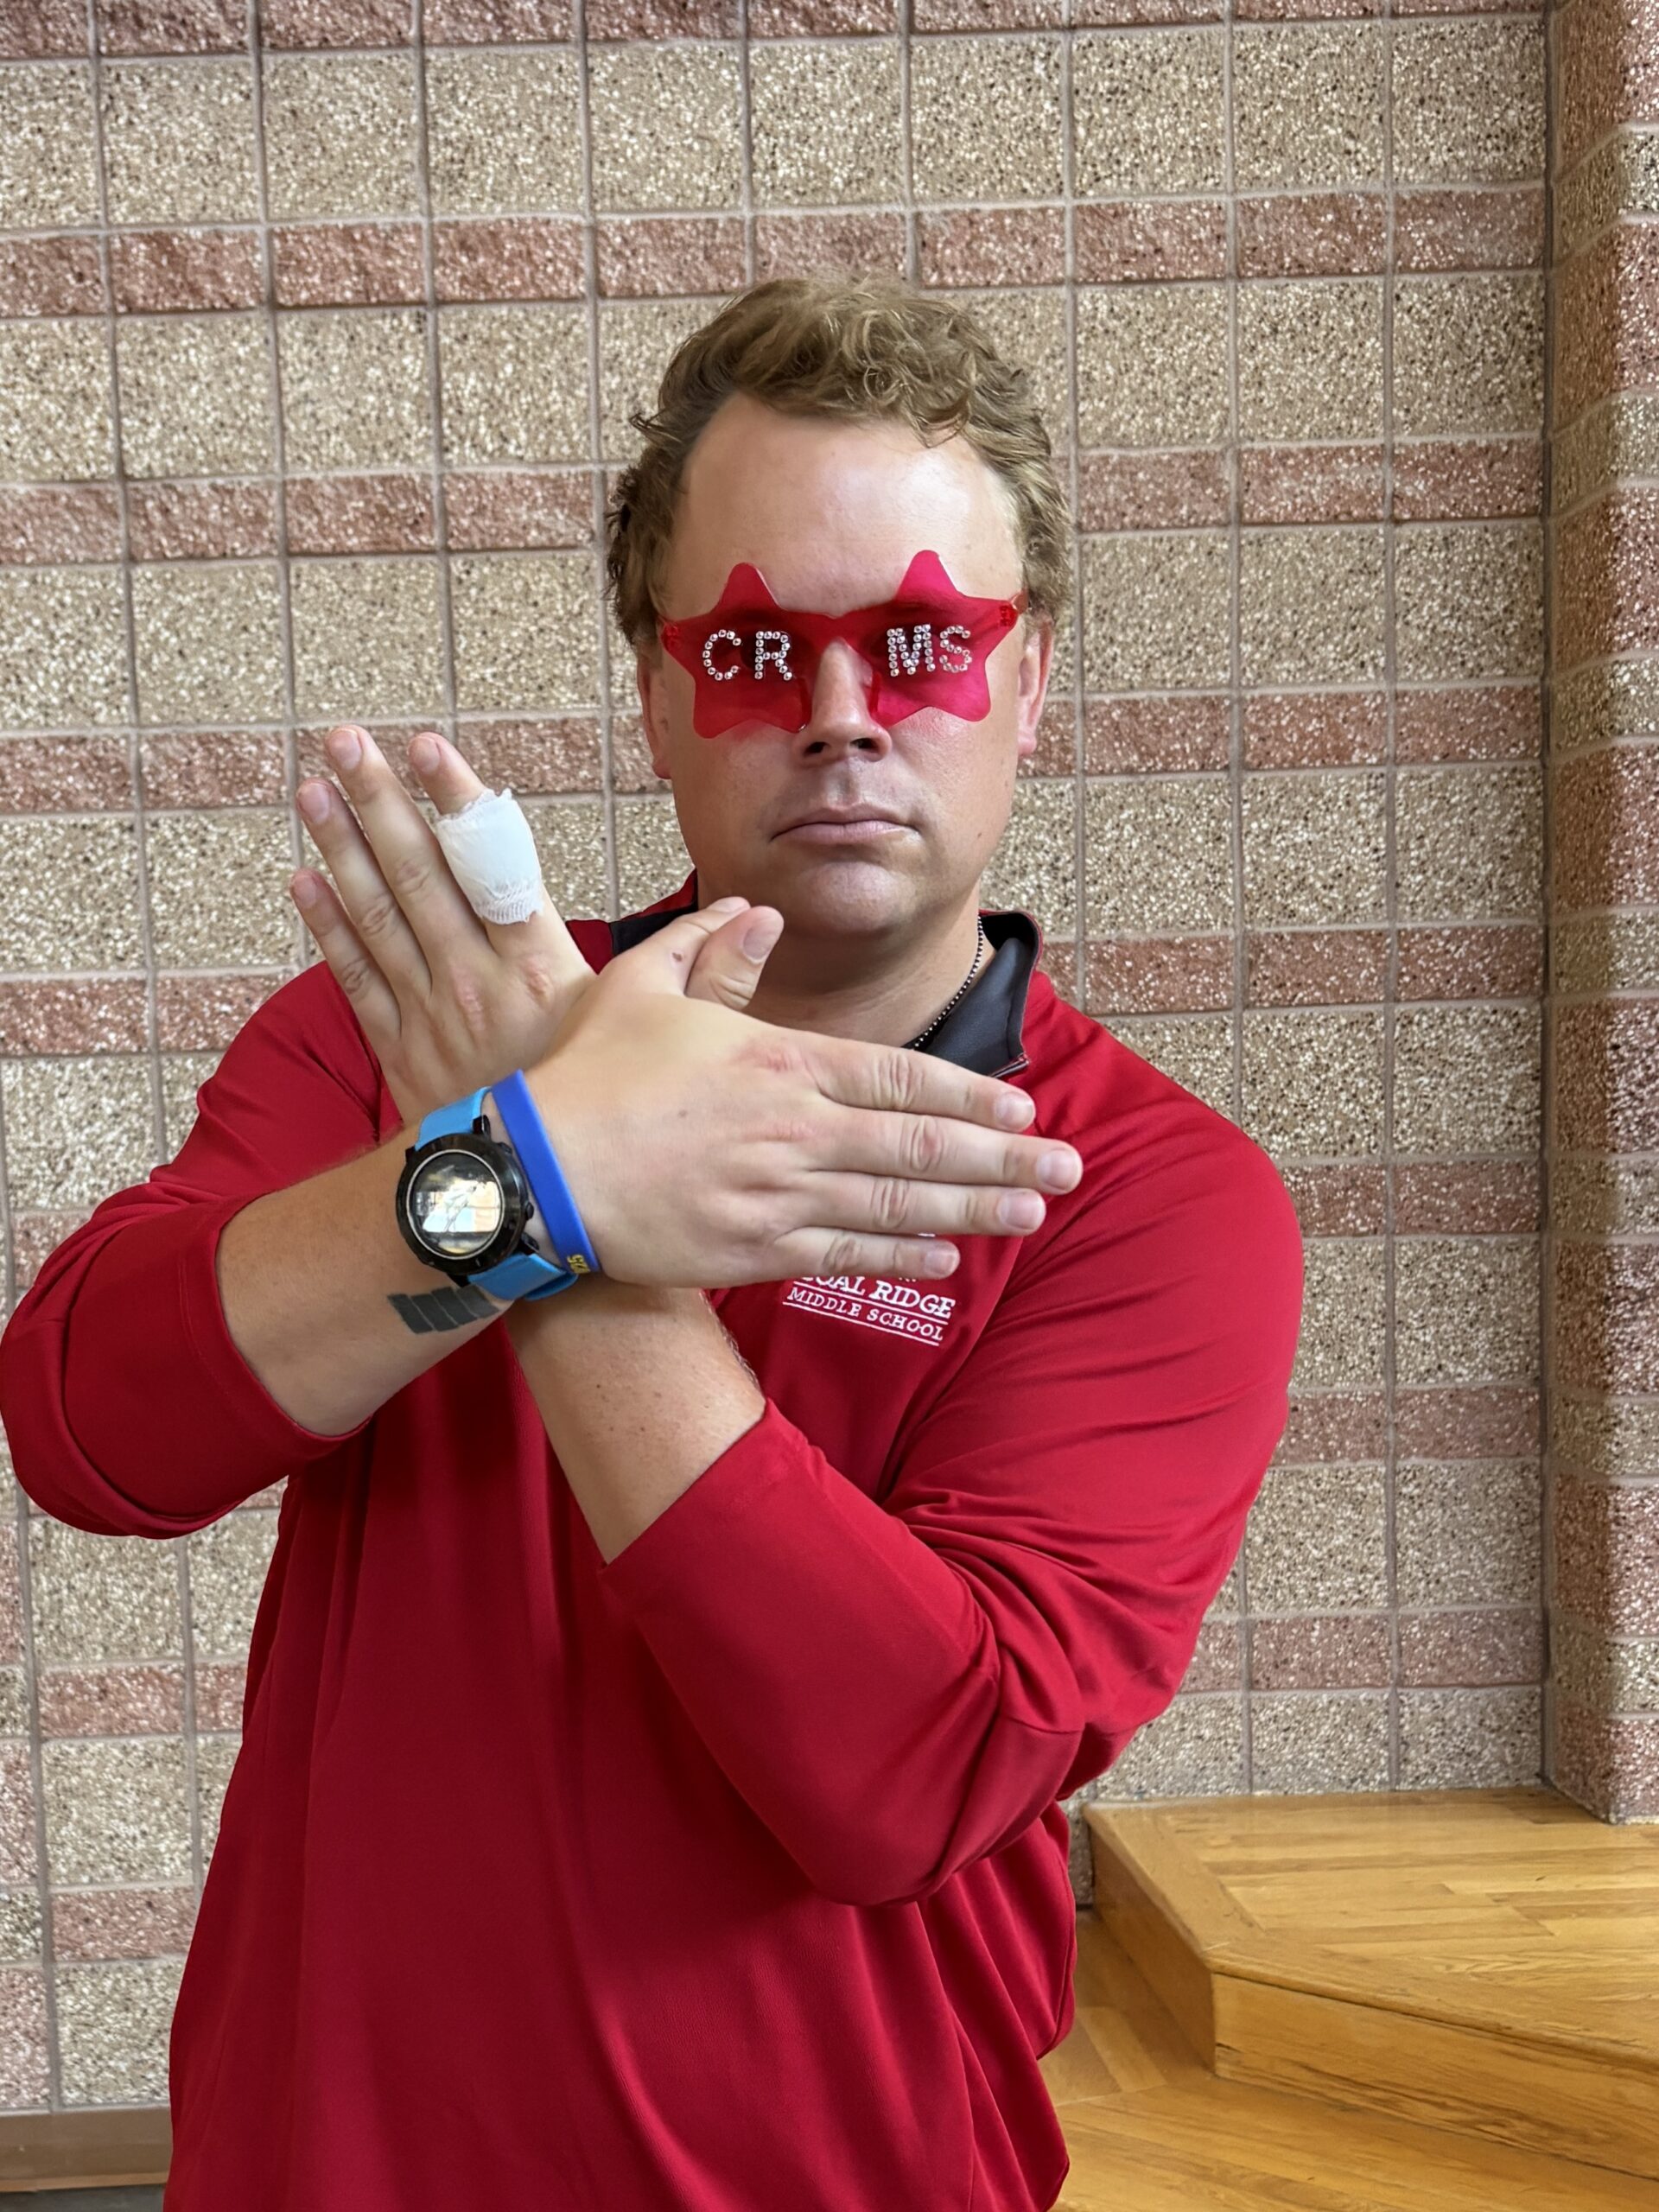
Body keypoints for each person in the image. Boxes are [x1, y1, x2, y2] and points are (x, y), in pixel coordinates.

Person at [0, 274, 1304, 2212]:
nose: (846, 716)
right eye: (766, 644)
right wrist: (515, 1163)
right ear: (662, 684)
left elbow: (905, 1769)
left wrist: (550, 1200)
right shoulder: (406, 1028)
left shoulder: (1141, 1193)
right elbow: (88, 1420)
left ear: (1026, 683)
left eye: (925, 642)